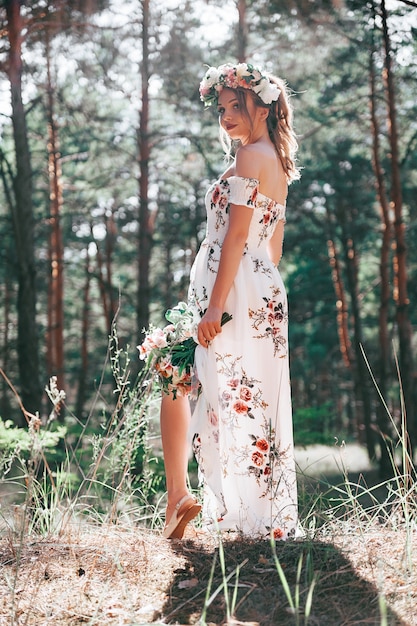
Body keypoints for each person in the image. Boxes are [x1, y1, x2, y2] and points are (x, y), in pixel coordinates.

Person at [160, 62, 300, 540]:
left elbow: (237, 236)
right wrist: (260, 293)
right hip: (259, 286)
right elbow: (272, 244)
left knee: (177, 374)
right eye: (220, 109)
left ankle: (180, 496)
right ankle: (217, 505)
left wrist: (216, 306)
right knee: (244, 394)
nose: (225, 117)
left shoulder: (248, 159)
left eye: (234, 107)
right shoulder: (273, 159)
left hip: (232, 287)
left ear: (261, 106)